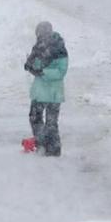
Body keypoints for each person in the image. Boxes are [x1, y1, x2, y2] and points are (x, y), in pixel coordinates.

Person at [23, 21, 68, 157]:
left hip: (53, 92)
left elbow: (61, 71)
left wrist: (42, 72)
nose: (39, 37)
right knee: (34, 117)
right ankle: (42, 144)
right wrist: (30, 66)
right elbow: (34, 62)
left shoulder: (59, 48)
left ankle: (53, 149)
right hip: (40, 91)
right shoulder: (38, 46)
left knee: (51, 122)